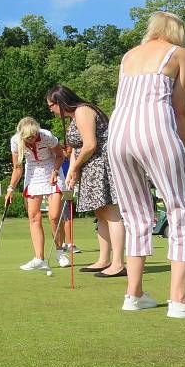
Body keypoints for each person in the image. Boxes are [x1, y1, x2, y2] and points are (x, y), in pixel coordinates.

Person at [108, 11, 185, 318]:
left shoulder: (128, 56)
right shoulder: (179, 53)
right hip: (155, 131)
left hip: (118, 136)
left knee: (135, 214)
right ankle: (179, 299)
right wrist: (181, 144)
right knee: (181, 209)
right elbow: (179, 109)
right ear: (177, 30)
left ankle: (134, 294)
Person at [46, 85, 125, 278]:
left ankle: (118, 263)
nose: (51, 110)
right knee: (100, 213)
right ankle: (104, 260)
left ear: (60, 102)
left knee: (111, 212)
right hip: (90, 167)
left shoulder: (83, 111)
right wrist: (73, 172)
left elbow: (90, 145)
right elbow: (77, 148)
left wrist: (74, 167)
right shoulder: (75, 117)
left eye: (51, 106)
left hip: (102, 166)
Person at [6, 117, 69, 270]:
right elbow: (17, 167)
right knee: (34, 217)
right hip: (32, 173)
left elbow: (60, 155)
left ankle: (60, 253)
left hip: (51, 168)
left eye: (33, 137)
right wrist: (11, 188)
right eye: (28, 138)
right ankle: (39, 258)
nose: (32, 140)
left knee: (54, 216)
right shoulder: (15, 141)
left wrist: (55, 171)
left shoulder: (46, 135)